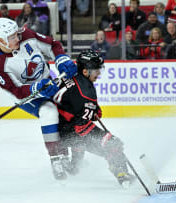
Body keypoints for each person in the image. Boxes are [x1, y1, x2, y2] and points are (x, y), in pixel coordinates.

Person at [0, 17, 77, 180]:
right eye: (12, 37)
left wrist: (61, 58)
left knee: (69, 109)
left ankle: (68, 154)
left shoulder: (26, 34)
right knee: (49, 112)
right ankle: (55, 158)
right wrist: (35, 88)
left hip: (49, 81)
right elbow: (15, 89)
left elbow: (53, 45)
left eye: (16, 34)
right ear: (0, 40)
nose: (17, 38)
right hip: (27, 95)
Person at [53, 49, 135, 187]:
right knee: (113, 143)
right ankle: (121, 172)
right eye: (96, 70)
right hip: (70, 131)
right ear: (85, 71)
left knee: (79, 143)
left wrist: (92, 109)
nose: (99, 73)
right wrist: (106, 139)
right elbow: (81, 126)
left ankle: (74, 167)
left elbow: (72, 102)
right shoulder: (86, 92)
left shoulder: (71, 74)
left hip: (57, 129)